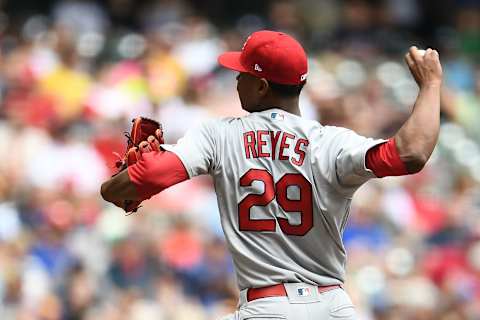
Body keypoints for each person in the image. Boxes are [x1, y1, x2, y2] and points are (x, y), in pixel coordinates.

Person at [101, 30, 442, 319]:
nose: (236, 79)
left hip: (268, 306)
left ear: (261, 86)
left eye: (243, 73)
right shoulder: (332, 142)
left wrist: (116, 186)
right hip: (335, 306)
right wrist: (430, 85)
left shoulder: (219, 135)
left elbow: (133, 184)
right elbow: (411, 154)